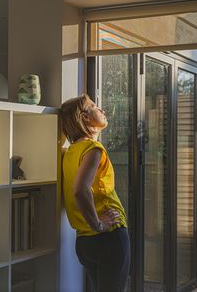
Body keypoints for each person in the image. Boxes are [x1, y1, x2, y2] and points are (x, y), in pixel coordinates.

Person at [60, 94, 130, 292]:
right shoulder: (93, 148)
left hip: (84, 241)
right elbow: (80, 191)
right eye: (95, 106)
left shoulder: (70, 152)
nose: (102, 110)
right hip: (108, 237)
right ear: (84, 117)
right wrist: (98, 224)